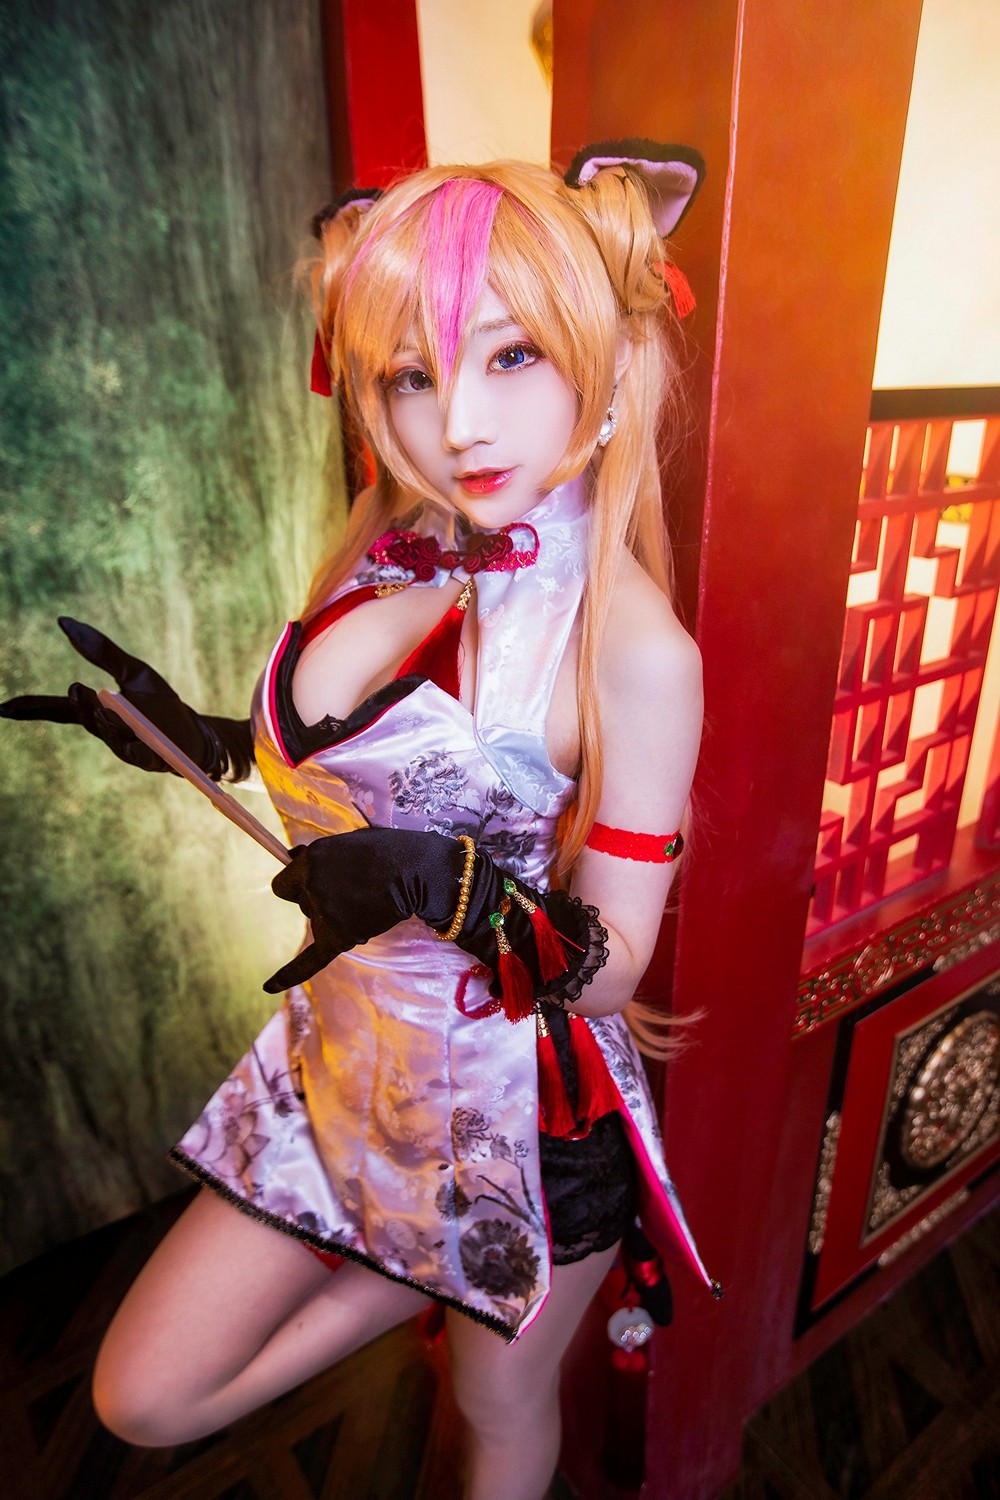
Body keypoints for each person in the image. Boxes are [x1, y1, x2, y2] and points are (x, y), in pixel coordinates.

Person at [1, 145, 718, 1500]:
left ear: (609, 355)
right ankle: (411, 1268)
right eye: (412, 376)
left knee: (498, 1414)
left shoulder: (633, 652)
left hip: (520, 1127)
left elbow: (615, 966)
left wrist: (456, 887)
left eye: (513, 356)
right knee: (144, 1393)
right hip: (342, 1067)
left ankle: (429, 1270)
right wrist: (205, 742)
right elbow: (371, 768)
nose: (460, 424)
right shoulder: (399, 551)